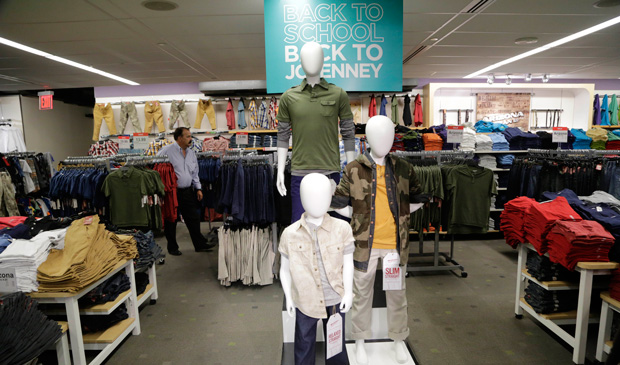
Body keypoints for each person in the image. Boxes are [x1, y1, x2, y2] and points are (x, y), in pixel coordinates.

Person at [332, 116, 423, 364]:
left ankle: (397, 341)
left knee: (396, 295)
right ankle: (360, 341)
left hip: (394, 245)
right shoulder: (353, 168)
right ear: (368, 139)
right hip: (364, 245)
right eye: (378, 135)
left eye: (389, 135)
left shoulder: (404, 168)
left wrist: (402, 213)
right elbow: (339, 204)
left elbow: (418, 198)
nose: (384, 141)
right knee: (361, 296)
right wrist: (359, 218)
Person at [275, 41, 356, 223]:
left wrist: (352, 172)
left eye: (316, 57)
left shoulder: (338, 94)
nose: (311, 62)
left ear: (323, 61)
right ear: (301, 62)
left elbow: (348, 133)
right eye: (306, 58)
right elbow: (282, 136)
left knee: (332, 227)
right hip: (299, 173)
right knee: (300, 226)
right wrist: (280, 171)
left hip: (330, 174)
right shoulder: (289, 97)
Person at [279, 173, 354, 365]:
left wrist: (348, 293)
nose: (316, 202)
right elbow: (284, 270)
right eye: (310, 196)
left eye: (321, 196)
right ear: (301, 198)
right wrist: (289, 296)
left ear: (330, 197)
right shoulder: (290, 234)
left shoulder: (342, 228)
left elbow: (348, 263)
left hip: (335, 299)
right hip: (306, 301)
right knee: (304, 348)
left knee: (336, 350)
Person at [157, 127, 215, 255]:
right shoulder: (166, 151)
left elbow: (195, 173)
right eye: (188, 136)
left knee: (193, 218)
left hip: (187, 191)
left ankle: (199, 244)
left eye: (190, 136)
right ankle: (172, 248)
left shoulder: (191, 153)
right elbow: (157, 167)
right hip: (172, 192)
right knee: (171, 220)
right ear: (179, 138)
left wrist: (198, 188)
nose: (191, 139)